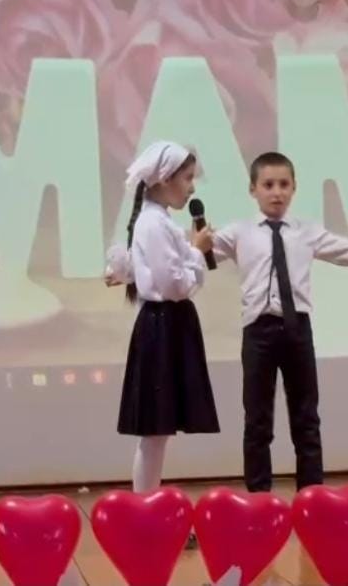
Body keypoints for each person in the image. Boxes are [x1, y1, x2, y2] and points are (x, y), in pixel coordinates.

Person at [211, 151, 348, 493]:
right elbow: (189, 258)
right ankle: (258, 499)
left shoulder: (306, 232)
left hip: (297, 330)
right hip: (258, 332)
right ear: (252, 189)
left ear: (294, 188)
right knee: (257, 421)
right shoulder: (237, 233)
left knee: (306, 419)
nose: (276, 193)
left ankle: (311, 496)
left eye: (284, 184)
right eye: (268, 185)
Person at [104, 141, 218, 549]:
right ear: (165, 179)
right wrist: (198, 255)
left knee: (157, 434)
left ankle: (148, 514)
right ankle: (145, 518)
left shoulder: (158, 222)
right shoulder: (154, 224)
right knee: (154, 433)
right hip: (164, 326)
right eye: (186, 179)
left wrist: (193, 253)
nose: (191, 187)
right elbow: (174, 284)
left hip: (168, 326)